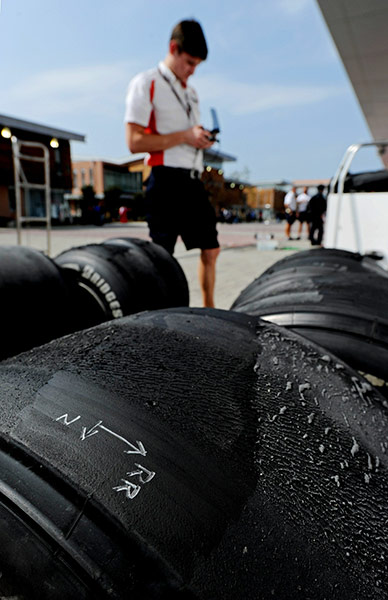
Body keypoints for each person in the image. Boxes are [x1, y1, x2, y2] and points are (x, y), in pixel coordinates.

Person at [124, 19, 220, 308]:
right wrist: (185, 136)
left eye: (196, 66)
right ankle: (160, 314)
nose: (192, 71)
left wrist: (199, 138)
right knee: (162, 256)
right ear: (173, 48)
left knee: (211, 248)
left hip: (192, 178)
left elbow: (187, 136)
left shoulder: (191, 92)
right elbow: (134, 142)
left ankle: (210, 309)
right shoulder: (147, 83)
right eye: (189, 62)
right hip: (164, 178)